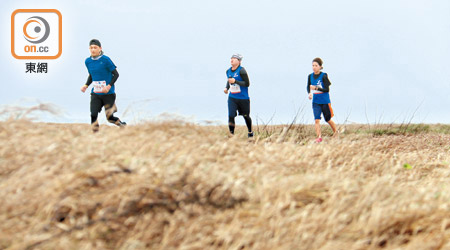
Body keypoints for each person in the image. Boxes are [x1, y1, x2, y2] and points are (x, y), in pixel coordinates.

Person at [80, 39, 126, 132]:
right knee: (93, 114)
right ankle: (95, 135)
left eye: (95, 47)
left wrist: (108, 86)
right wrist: (86, 85)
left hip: (108, 94)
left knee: (109, 118)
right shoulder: (87, 61)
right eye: (91, 48)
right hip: (96, 93)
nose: (93, 50)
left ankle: (122, 125)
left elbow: (116, 74)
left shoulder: (106, 60)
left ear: (100, 48)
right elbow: (91, 75)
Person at [307, 57, 337, 143]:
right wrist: (309, 93)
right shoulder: (310, 76)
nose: (314, 67)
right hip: (315, 101)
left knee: (327, 119)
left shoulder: (324, 76)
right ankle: (319, 137)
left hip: (324, 100)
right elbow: (308, 86)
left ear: (320, 66)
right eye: (313, 65)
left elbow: (327, 89)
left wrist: (316, 87)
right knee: (317, 119)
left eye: (316, 65)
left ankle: (336, 132)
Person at [223, 54, 253, 138]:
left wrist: (235, 81)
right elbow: (229, 80)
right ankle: (231, 135)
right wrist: (226, 88)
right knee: (231, 116)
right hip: (232, 98)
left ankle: (250, 132)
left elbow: (247, 84)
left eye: (234, 59)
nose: (231, 60)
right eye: (231, 58)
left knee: (246, 116)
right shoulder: (228, 71)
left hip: (243, 98)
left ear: (239, 61)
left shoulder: (242, 71)